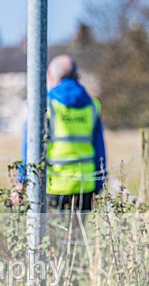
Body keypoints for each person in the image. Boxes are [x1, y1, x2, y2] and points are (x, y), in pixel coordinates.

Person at [19, 54, 107, 212]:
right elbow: (99, 149)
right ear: (78, 76)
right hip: (85, 185)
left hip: (53, 186)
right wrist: (100, 184)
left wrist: (22, 180)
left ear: (49, 76)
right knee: (78, 235)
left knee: (52, 236)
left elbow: (30, 147)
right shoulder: (93, 106)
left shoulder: (43, 105)